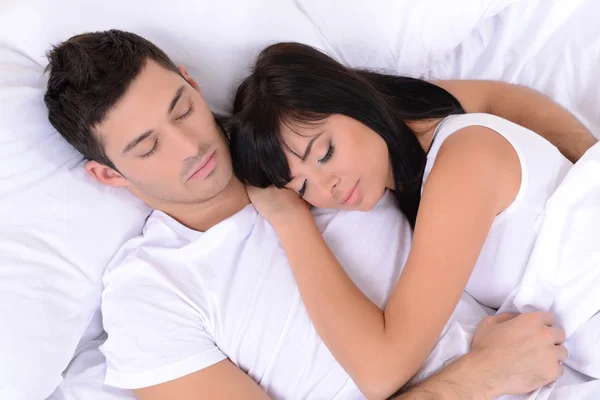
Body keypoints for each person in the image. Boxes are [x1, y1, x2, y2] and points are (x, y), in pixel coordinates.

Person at [43, 30, 589, 400]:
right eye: (146, 146)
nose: (189, 145)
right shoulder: (149, 293)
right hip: (517, 364)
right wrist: (475, 379)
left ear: (190, 81)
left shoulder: (295, 136)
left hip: (561, 363)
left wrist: (588, 172)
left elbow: (489, 103)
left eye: (181, 109)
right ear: (109, 174)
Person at [228, 42, 599, 398]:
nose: (328, 188)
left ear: (355, 102)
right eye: (302, 186)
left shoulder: (462, 164)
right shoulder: (421, 138)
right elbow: (494, 97)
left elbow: (380, 371)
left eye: (325, 154)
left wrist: (289, 219)